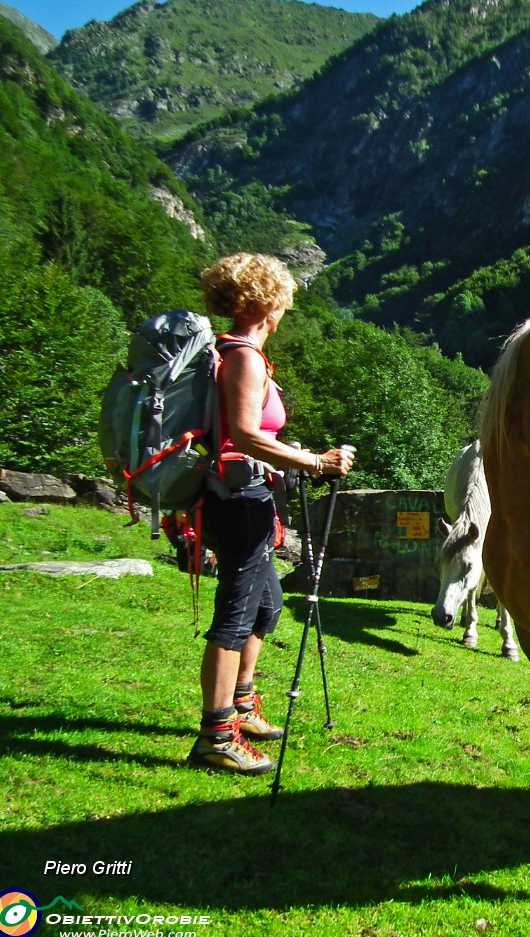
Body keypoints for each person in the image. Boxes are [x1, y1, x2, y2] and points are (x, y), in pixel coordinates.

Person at [188, 253, 355, 775]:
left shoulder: (240, 353)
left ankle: (241, 705)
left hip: (250, 496)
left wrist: (287, 458)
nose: (285, 310)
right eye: (283, 299)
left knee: (267, 606)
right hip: (238, 503)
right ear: (267, 302)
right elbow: (243, 434)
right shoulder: (243, 357)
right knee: (235, 615)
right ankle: (216, 736)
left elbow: (252, 437)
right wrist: (314, 461)